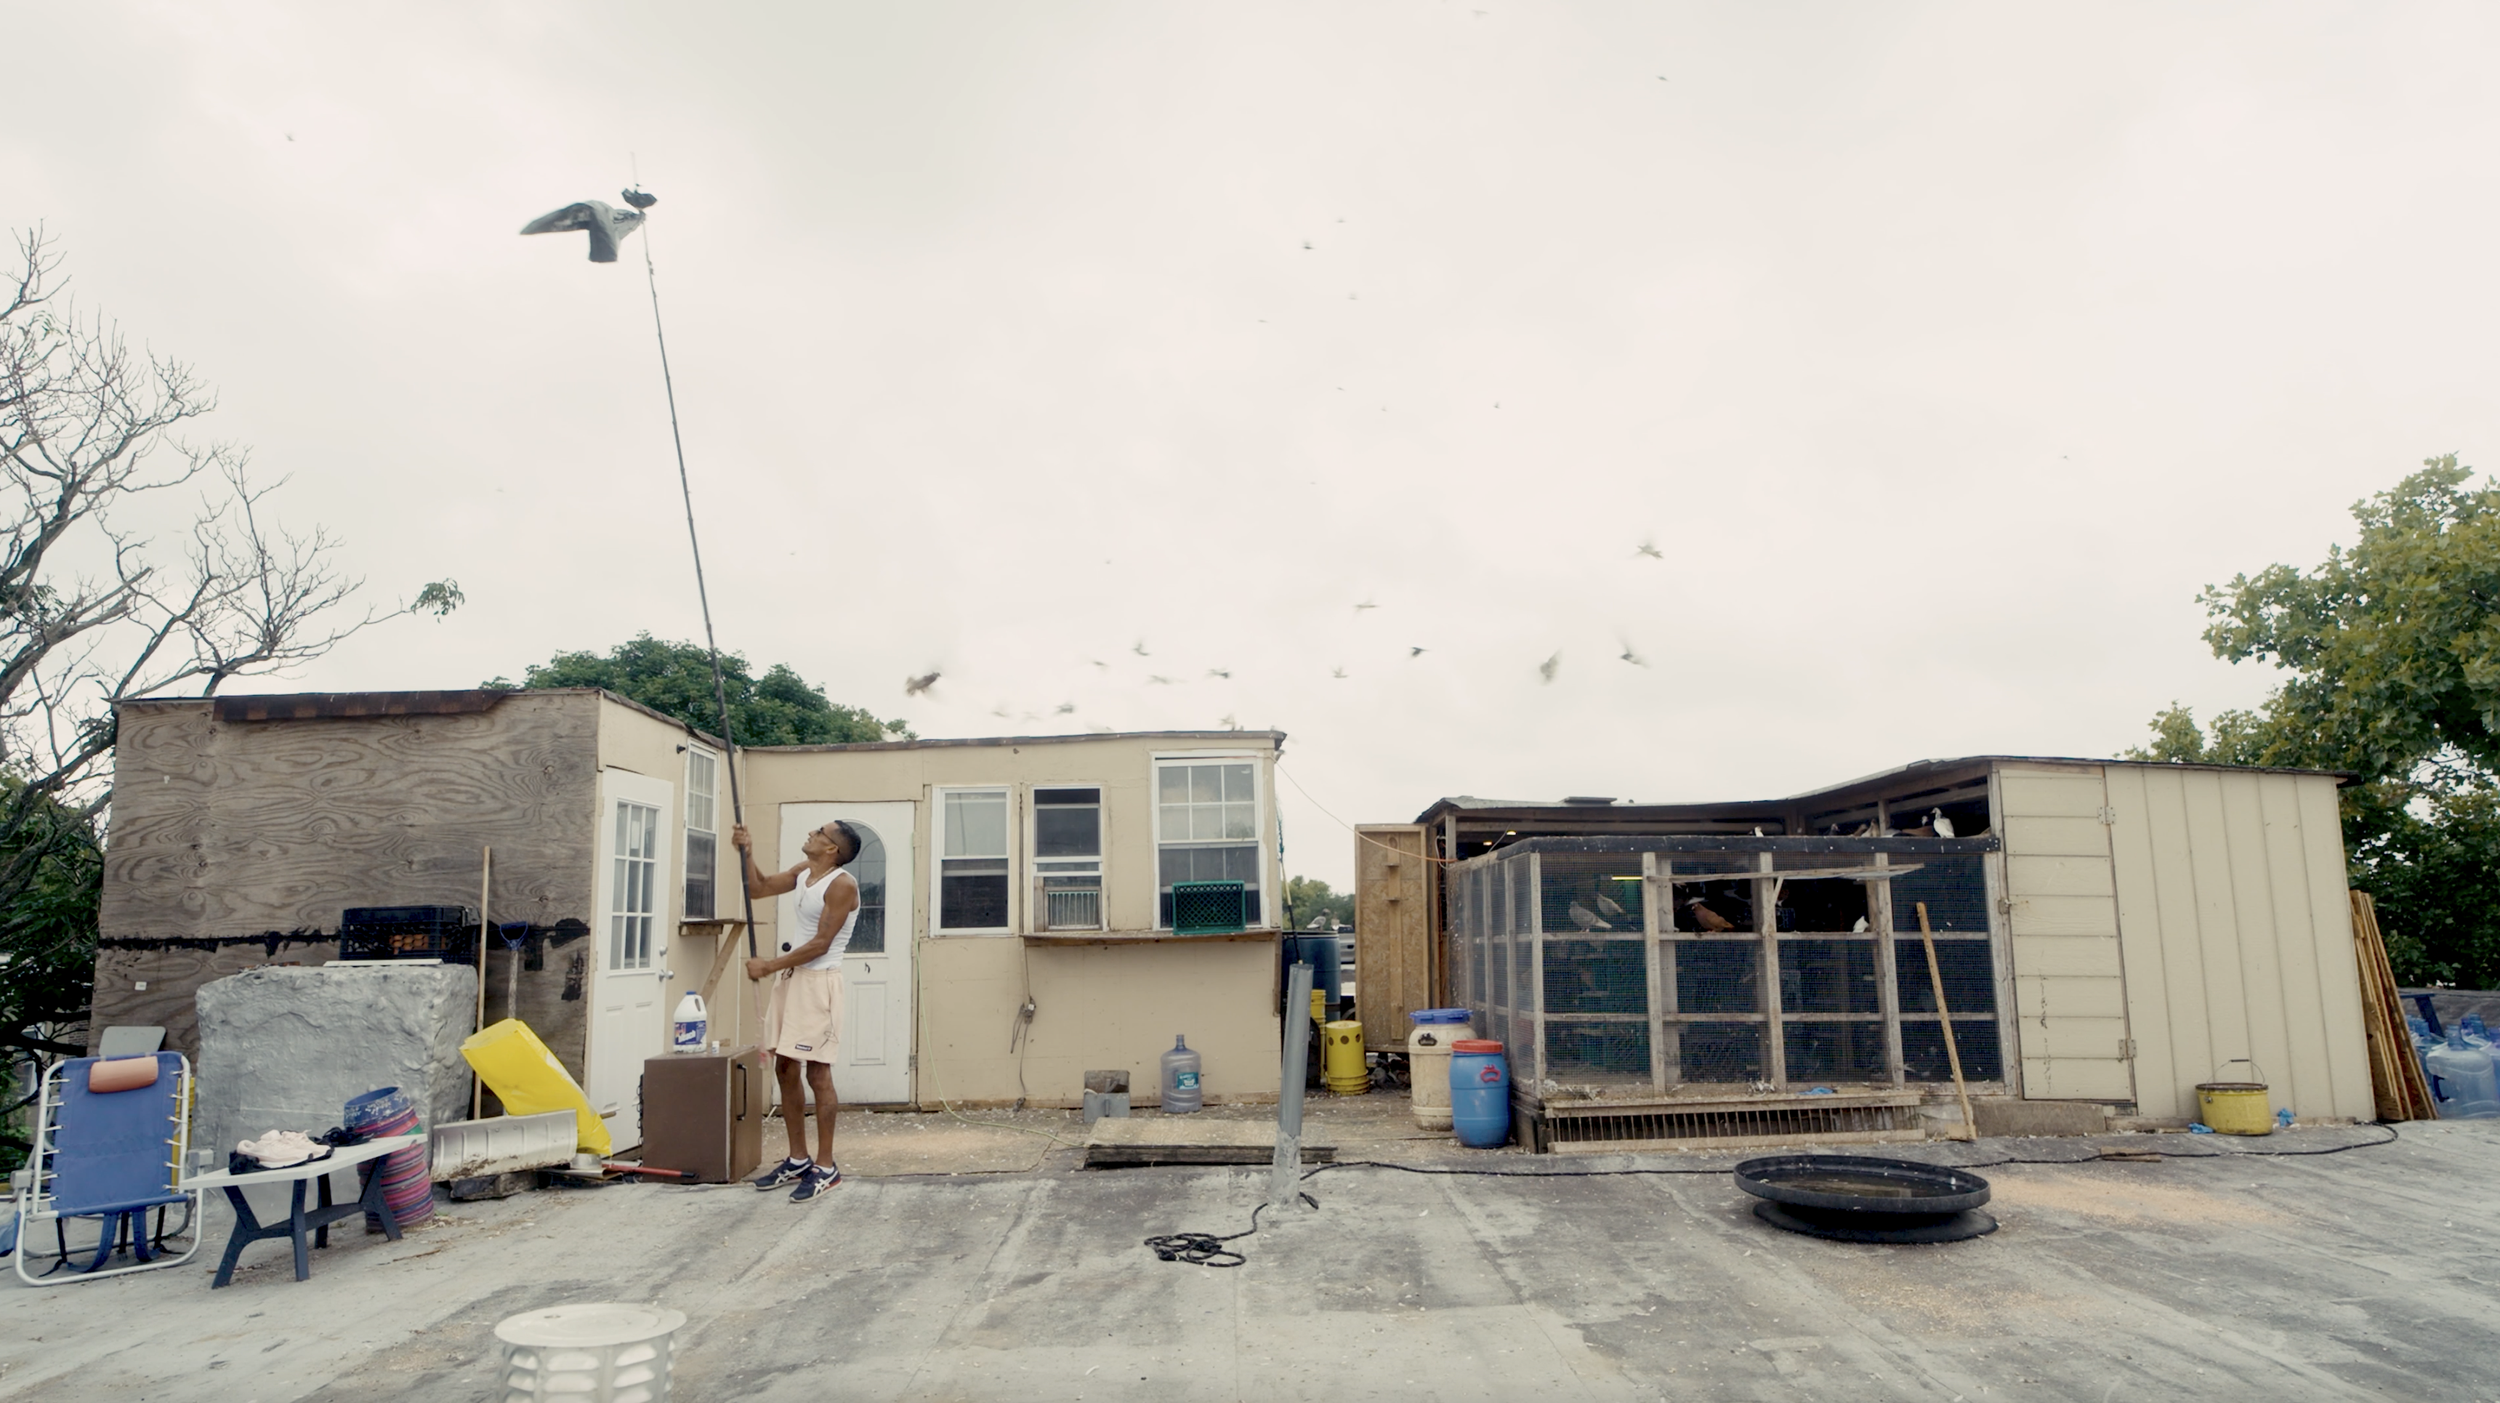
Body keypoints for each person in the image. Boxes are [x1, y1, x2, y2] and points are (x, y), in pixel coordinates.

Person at [732, 818, 862, 1203]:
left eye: (820, 833)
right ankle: (798, 1158)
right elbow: (757, 889)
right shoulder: (806, 870)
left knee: (817, 1073)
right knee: (785, 1067)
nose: (812, 833)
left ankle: (826, 1167)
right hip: (792, 978)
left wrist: (768, 965)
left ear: (832, 849)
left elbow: (822, 942)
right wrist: (748, 851)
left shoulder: (842, 885)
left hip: (819, 984)